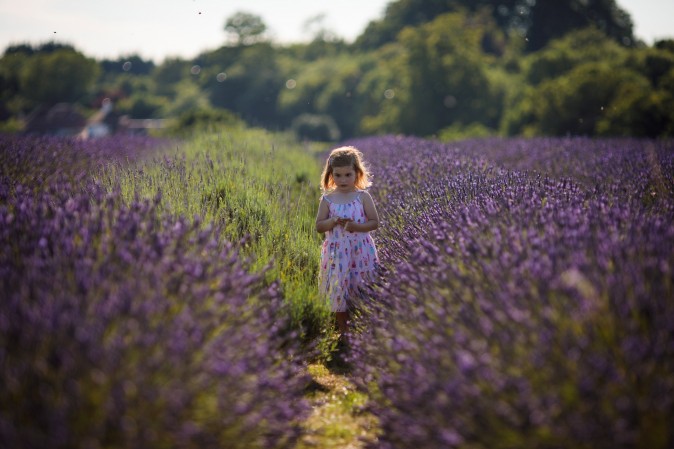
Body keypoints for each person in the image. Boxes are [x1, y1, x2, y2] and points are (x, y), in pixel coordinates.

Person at [315, 146, 379, 337]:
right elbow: (319, 226)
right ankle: (344, 331)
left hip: (360, 251)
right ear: (330, 174)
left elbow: (374, 222)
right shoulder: (328, 199)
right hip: (336, 252)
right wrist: (333, 221)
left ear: (357, 173)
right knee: (338, 289)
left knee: (360, 287)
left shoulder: (362, 197)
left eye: (347, 175)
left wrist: (355, 227)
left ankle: (361, 328)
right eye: (338, 175)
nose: (343, 180)